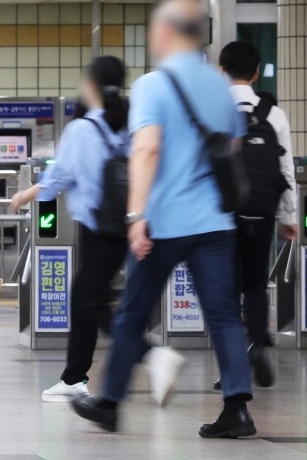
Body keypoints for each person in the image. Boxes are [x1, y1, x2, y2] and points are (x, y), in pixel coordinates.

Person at [72, 0, 255, 438]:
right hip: (214, 221)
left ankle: (110, 403)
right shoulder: (217, 85)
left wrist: (136, 214)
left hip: (165, 222)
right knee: (225, 314)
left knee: (134, 310)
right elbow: (231, 145)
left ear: (170, 33)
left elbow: (147, 149)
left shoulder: (155, 86)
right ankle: (237, 408)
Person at [12, 57, 186, 404]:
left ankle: (151, 355)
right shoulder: (127, 124)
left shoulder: (82, 129)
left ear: (91, 85)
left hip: (97, 229)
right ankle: (74, 377)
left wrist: (25, 194)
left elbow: (59, 177)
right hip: (126, 224)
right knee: (87, 301)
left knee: (88, 304)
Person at [218, 41, 297, 389]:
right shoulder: (273, 113)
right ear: (254, 73)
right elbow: (285, 168)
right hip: (261, 211)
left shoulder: (214, 110)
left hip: (221, 214)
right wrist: (289, 215)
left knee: (225, 290)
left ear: (221, 71)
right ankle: (258, 342)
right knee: (254, 283)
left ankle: (231, 369)